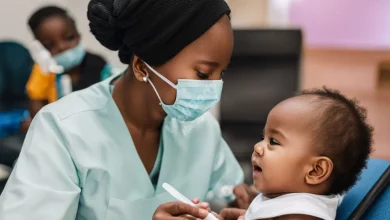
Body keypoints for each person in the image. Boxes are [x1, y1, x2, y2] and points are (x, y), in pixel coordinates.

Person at [0, 0, 247, 219]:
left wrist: (253, 203)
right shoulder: (62, 129)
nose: (214, 88)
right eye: (203, 74)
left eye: (221, 73)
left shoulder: (200, 128)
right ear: (141, 66)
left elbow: (227, 193)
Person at [210, 88, 373, 220]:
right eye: (263, 137)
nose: (258, 147)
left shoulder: (303, 214)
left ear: (315, 171)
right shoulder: (287, 200)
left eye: (273, 141)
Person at [20, 6, 113, 133]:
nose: (62, 47)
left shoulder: (98, 65)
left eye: (69, 38)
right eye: (49, 45)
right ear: (40, 48)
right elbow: (36, 112)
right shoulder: (43, 71)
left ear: (78, 35)